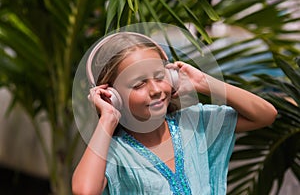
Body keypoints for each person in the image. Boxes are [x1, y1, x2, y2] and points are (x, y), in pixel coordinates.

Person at [72, 32, 277, 195]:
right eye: (139, 84)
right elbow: (84, 191)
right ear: (112, 94)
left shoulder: (195, 123)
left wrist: (205, 83)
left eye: (160, 76)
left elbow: (266, 115)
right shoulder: (114, 153)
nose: (155, 90)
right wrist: (108, 117)